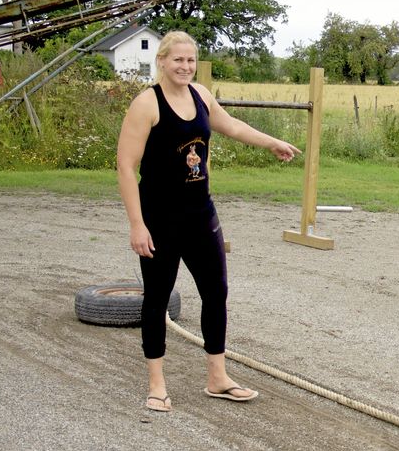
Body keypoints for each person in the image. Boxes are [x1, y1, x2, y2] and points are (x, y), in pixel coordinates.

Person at [117, 31, 301, 411]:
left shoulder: (201, 94)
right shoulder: (147, 104)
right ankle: (156, 384)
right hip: (159, 218)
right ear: (162, 62)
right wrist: (137, 224)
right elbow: (125, 165)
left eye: (190, 60)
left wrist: (271, 142)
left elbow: (230, 125)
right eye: (177, 60)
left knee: (216, 293)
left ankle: (217, 378)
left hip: (200, 214)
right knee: (157, 300)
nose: (185, 66)